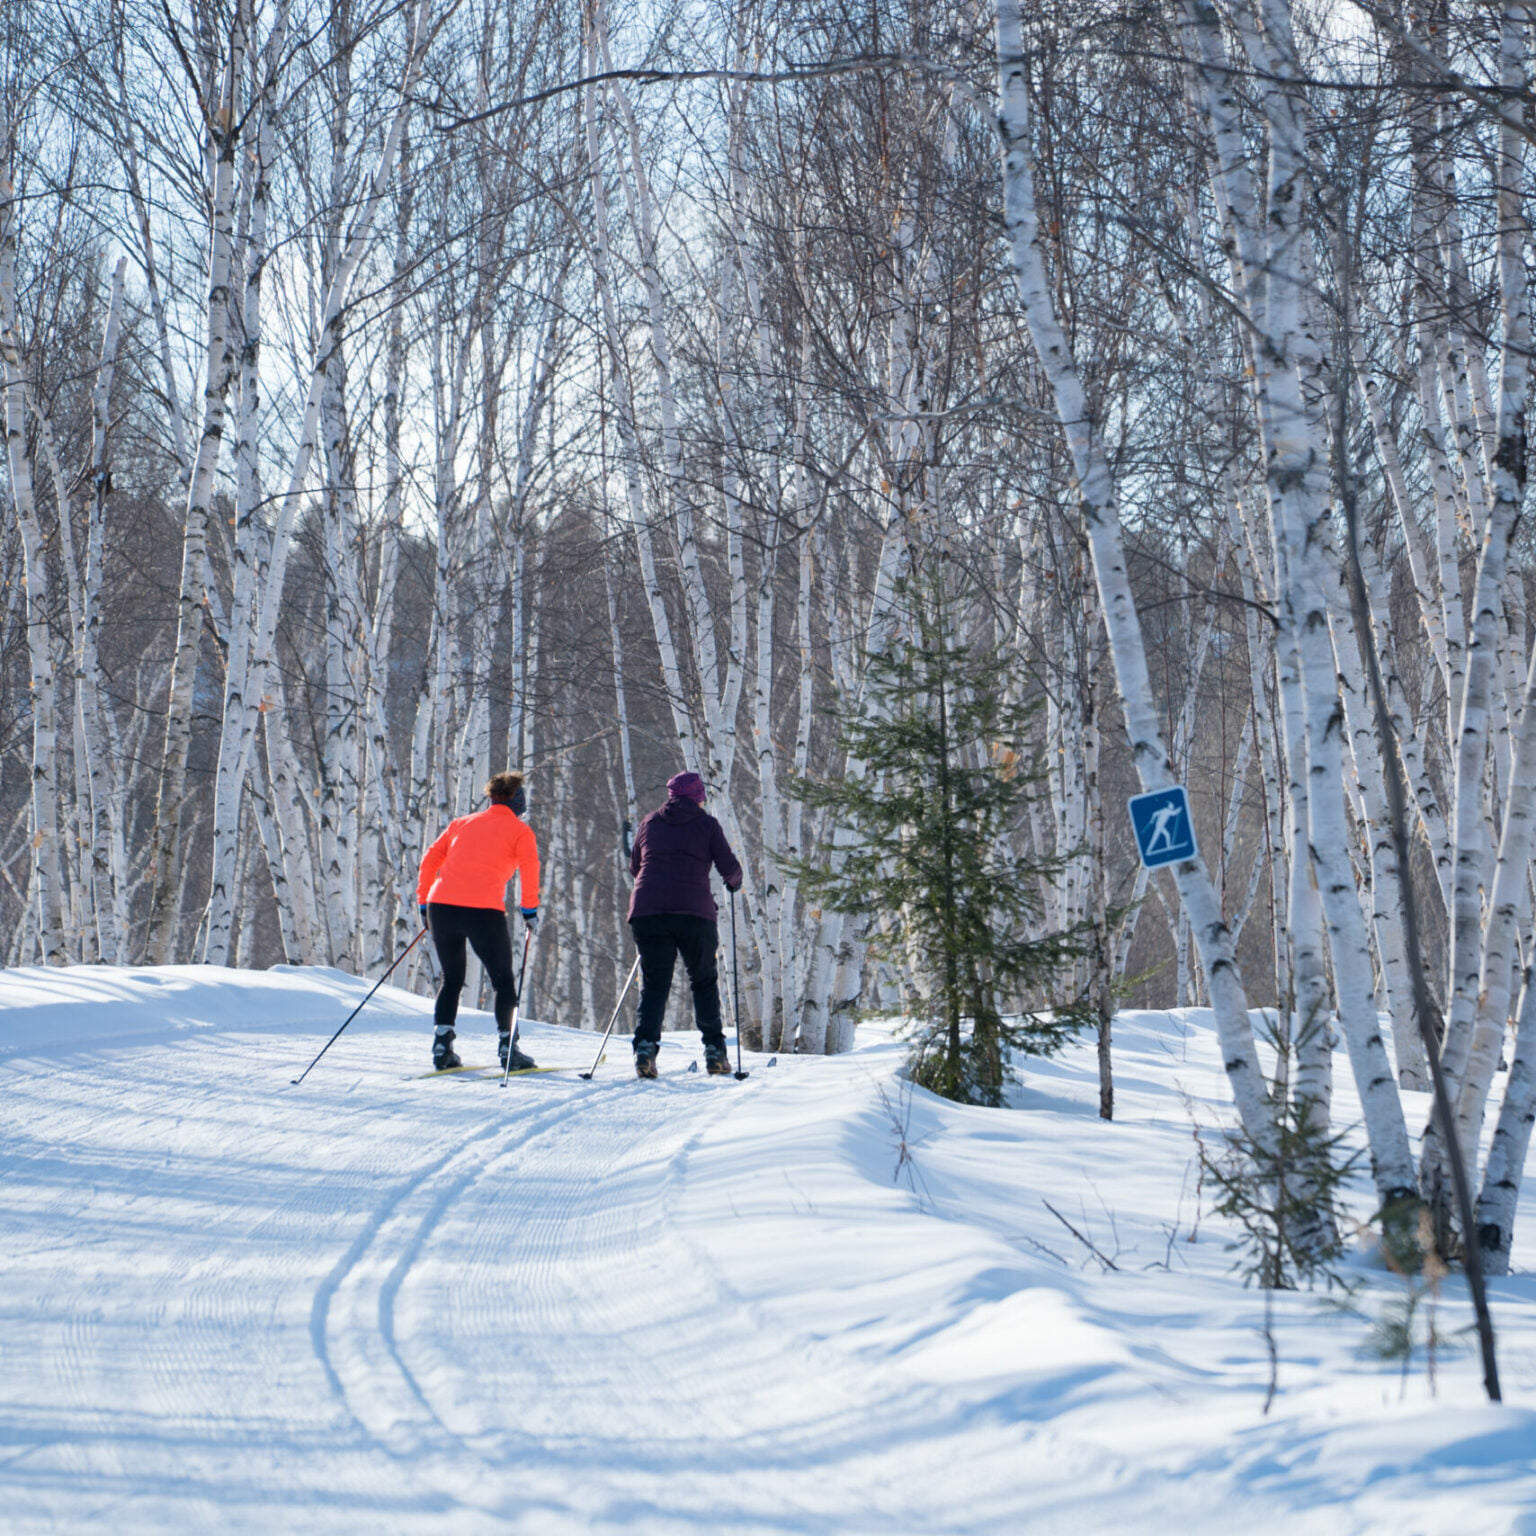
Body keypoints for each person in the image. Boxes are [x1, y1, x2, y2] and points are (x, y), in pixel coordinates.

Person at [417, 771, 540, 1072]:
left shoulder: (462, 823)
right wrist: (529, 910)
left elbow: (430, 859)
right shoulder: (520, 831)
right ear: (517, 799)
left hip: (441, 906)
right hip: (482, 910)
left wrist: (423, 902)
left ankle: (442, 1046)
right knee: (502, 980)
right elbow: (530, 868)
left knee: (452, 979)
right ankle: (508, 1047)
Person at [627, 770, 743, 1078]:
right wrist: (734, 883)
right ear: (698, 797)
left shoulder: (650, 822)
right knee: (703, 981)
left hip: (648, 911)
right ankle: (715, 1052)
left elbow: (635, 866)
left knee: (654, 985)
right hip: (694, 913)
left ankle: (645, 1050)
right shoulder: (707, 825)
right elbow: (730, 869)